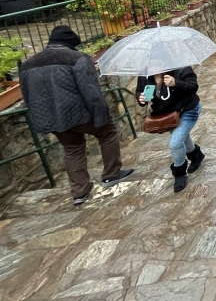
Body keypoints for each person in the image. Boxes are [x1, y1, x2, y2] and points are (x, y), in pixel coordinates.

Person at [19, 25, 133, 205]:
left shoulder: (27, 65)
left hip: (53, 118)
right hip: (81, 113)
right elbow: (91, 90)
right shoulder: (78, 58)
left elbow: (27, 96)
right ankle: (111, 174)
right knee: (108, 133)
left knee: (72, 148)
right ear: (71, 44)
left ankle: (80, 191)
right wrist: (101, 115)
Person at [137, 65, 203, 193]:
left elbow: (193, 87)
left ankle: (179, 173)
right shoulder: (145, 74)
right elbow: (140, 92)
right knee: (182, 138)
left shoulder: (180, 68)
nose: (154, 64)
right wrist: (142, 99)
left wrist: (175, 83)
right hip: (169, 115)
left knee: (175, 143)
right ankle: (196, 155)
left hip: (188, 109)